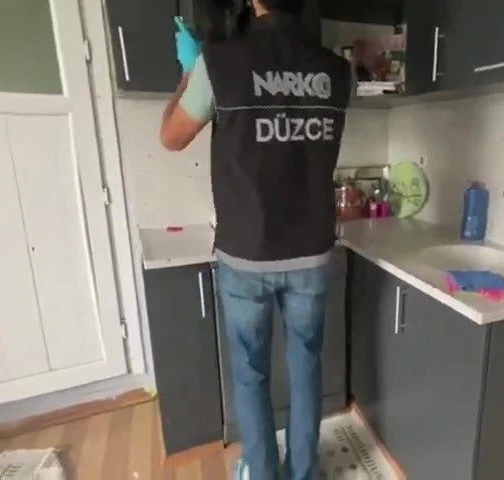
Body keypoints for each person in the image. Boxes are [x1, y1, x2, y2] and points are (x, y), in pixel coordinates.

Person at [159, 1, 351, 479]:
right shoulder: (336, 70)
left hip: (246, 255)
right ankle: (304, 473)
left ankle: (262, 473)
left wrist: (190, 70)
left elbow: (171, 137)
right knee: (306, 371)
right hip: (311, 253)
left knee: (251, 373)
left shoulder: (220, 62)